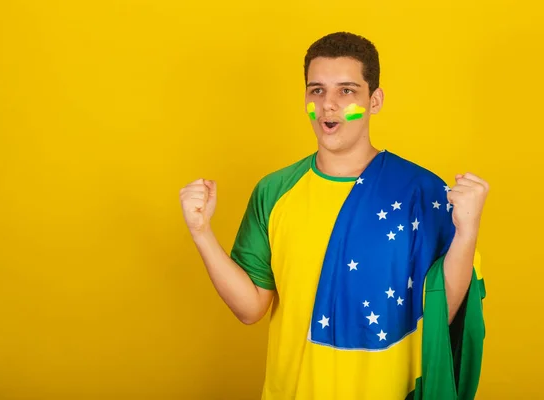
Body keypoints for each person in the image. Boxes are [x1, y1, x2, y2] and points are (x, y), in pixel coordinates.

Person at [180, 32, 489, 400]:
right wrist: (201, 232)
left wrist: (467, 231)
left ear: (374, 101)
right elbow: (250, 308)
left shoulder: (419, 192)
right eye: (317, 91)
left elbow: (442, 311)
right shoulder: (274, 191)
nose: (328, 105)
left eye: (346, 91)